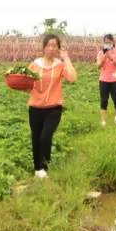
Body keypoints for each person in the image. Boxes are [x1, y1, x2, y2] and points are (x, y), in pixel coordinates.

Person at [28, 34, 78, 177]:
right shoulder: (34, 65)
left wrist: (66, 58)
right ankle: (37, 169)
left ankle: (44, 168)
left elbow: (73, 78)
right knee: (36, 138)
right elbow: (27, 83)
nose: (51, 48)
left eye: (54, 45)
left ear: (58, 49)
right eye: (48, 45)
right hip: (35, 108)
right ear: (43, 48)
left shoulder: (60, 66)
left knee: (45, 137)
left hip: (54, 108)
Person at [96, 34, 116, 127]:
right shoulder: (101, 53)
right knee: (104, 101)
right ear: (104, 43)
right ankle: (103, 122)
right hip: (103, 80)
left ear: (113, 42)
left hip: (115, 80)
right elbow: (98, 66)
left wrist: (111, 58)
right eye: (106, 42)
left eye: (109, 42)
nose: (108, 44)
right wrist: (104, 58)